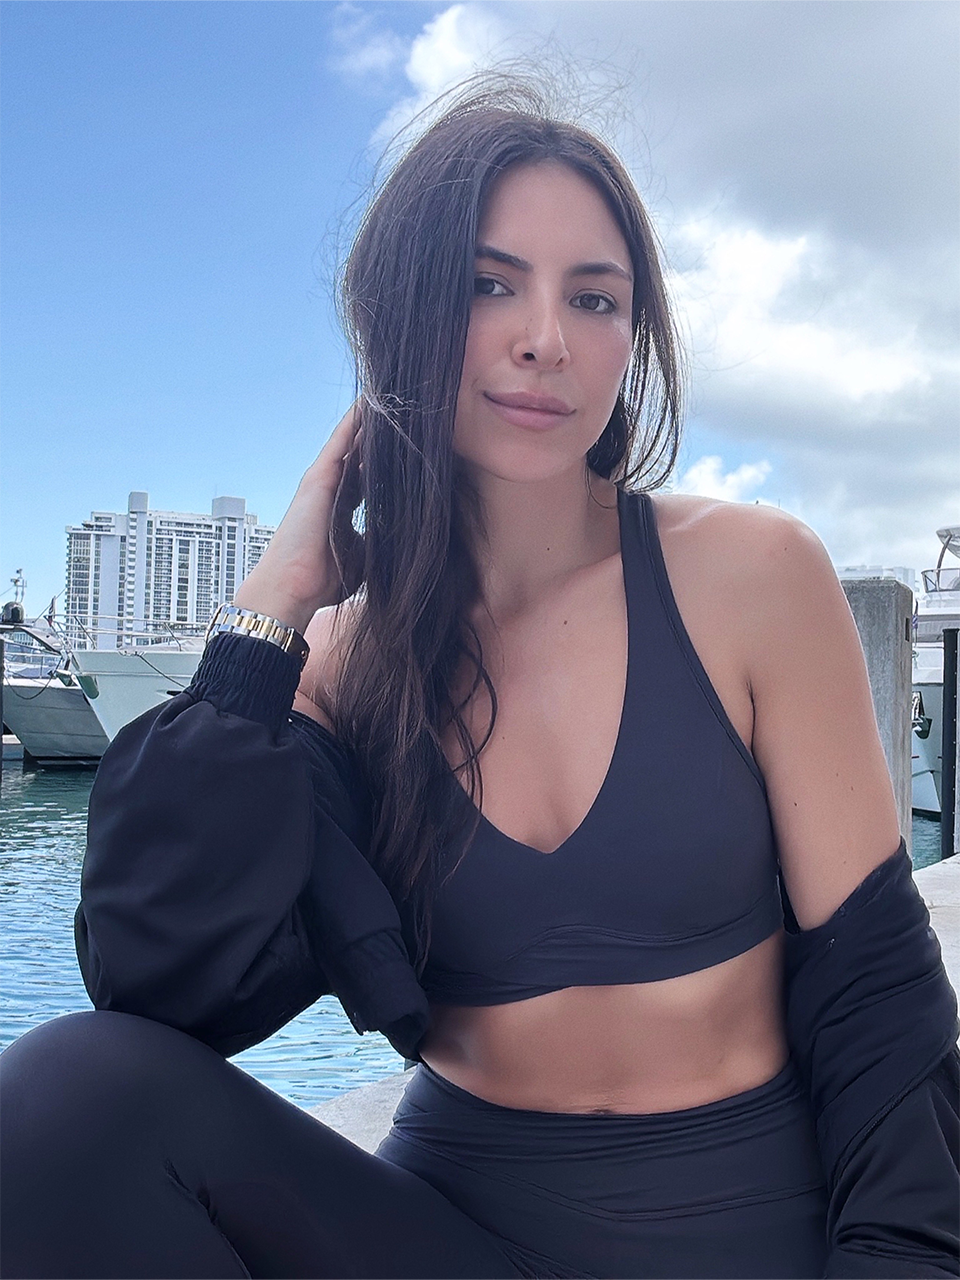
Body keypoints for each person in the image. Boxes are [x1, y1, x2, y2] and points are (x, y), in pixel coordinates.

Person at [1, 77, 957, 1280]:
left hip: (748, 1226)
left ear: (632, 338)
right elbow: (156, 990)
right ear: (399, 316)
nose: (544, 336)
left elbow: (878, 996)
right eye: (487, 283)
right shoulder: (345, 662)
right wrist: (270, 616)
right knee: (61, 1094)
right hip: (452, 1233)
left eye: (593, 297)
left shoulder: (752, 576)